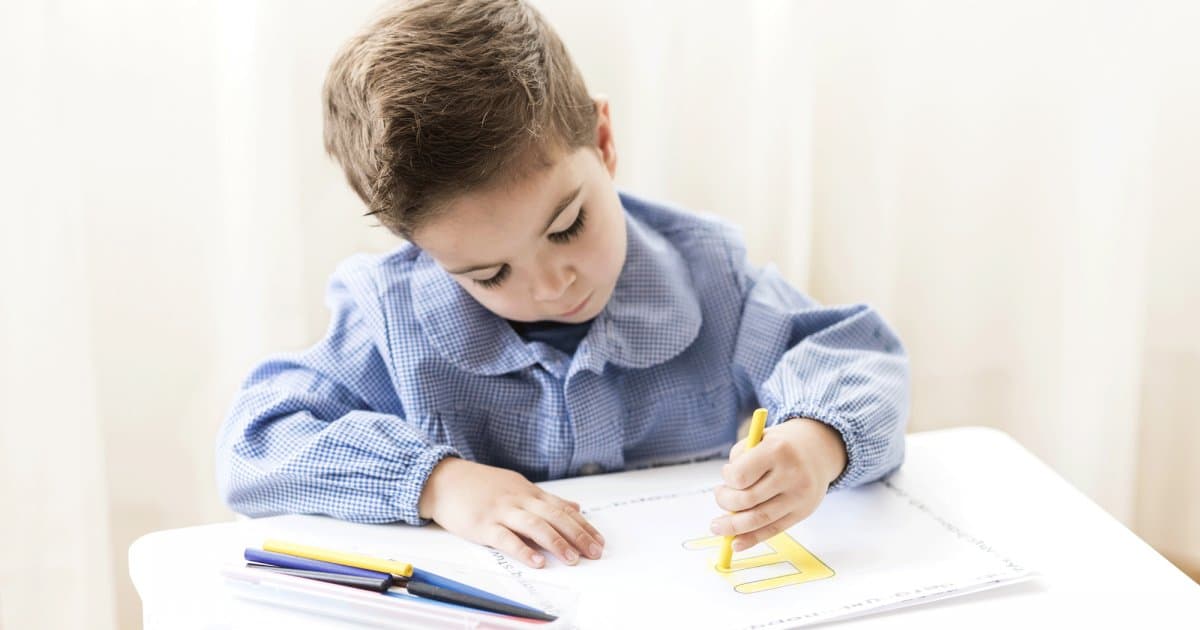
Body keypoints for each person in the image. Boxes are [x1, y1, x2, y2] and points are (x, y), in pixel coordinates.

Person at [216, 0, 909, 571]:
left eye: (568, 225)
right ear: (423, 251)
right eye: (489, 273)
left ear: (603, 142)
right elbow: (255, 442)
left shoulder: (710, 281)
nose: (552, 285)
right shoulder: (392, 320)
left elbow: (857, 355)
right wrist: (435, 483)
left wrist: (817, 441)